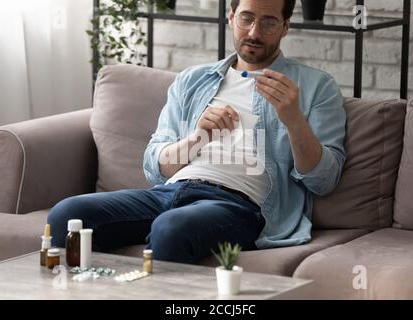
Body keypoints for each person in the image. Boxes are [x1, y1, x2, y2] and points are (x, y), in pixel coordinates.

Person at [48, 0, 346, 264]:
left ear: (285, 27)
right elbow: (155, 165)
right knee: (67, 215)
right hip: (171, 191)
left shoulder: (314, 87)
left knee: (171, 228)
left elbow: (324, 180)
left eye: (268, 22)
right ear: (231, 17)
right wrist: (196, 137)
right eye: (247, 18)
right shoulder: (193, 80)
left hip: (238, 206)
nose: (255, 32)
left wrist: (293, 119)